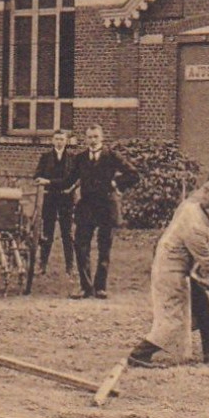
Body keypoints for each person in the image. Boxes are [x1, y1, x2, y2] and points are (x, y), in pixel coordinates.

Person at [125, 176, 209, 367]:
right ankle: (139, 354)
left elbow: (204, 189)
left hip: (176, 268)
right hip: (170, 274)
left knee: (204, 305)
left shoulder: (191, 205)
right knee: (173, 320)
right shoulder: (195, 227)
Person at [66, 124, 140, 300]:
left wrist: (117, 184)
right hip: (87, 207)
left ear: (101, 138)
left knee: (104, 247)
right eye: (90, 137)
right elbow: (69, 179)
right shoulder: (81, 158)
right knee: (80, 245)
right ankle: (86, 287)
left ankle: (100, 287)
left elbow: (133, 174)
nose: (92, 140)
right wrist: (48, 182)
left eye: (95, 137)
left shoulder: (111, 156)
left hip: (106, 207)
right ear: (86, 139)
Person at [34, 129, 76, 276]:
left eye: (62, 139)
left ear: (66, 141)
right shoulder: (45, 157)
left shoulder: (72, 158)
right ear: (52, 141)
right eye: (57, 139)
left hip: (66, 199)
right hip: (50, 199)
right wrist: (48, 183)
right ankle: (42, 265)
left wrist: (51, 182)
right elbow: (37, 176)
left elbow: (73, 179)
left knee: (67, 233)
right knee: (47, 233)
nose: (59, 142)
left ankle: (70, 266)